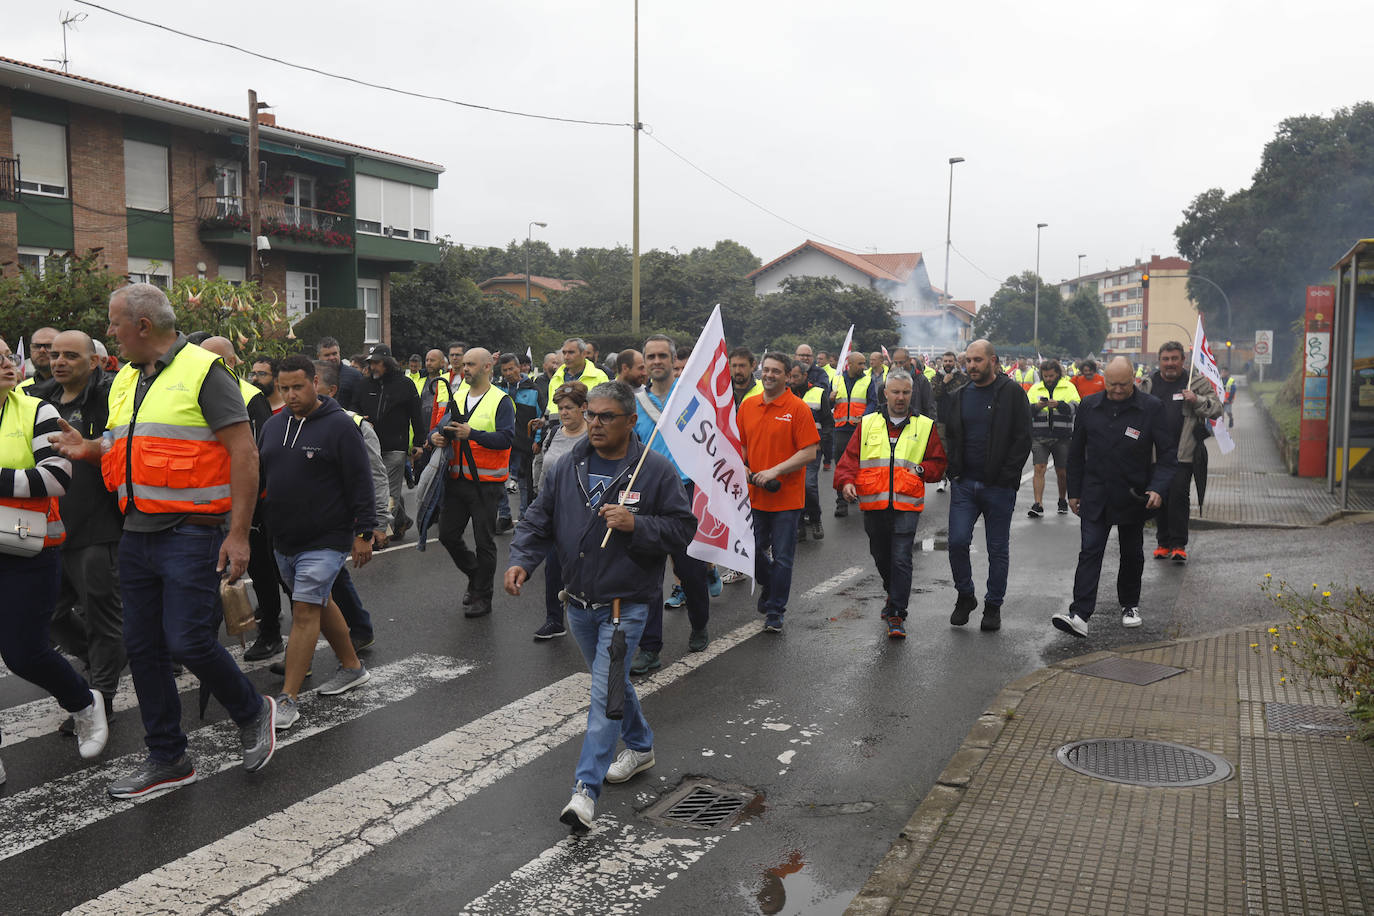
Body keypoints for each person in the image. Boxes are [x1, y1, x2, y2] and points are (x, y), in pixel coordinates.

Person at [51, 283, 276, 797]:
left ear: (143, 328)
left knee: (189, 641)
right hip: (136, 531)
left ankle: (252, 709)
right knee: (144, 648)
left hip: (192, 531)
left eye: (114, 324)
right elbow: (124, 442)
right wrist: (88, 449)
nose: (109, 333)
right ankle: (168, 756)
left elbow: (245, 454)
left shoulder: (204, 371)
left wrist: (238, 535)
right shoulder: (128, 377)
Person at [505, 381, 696, 833]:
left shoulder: (655, 472)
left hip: (623, 607)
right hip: (578, 605)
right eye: (591, 414)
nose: (594, 423)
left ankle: (585, 792)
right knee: (610, 687)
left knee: (602, 699)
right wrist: (521, 560)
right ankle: (642, 744)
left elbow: (683, 529)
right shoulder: (569, 465)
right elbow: (539, 518)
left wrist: (638, 524)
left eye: (606, 416)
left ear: (632, 422)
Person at [0, 335, 110, 780]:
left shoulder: (37, 410)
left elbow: (53, 479)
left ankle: (85, 702)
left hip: (25, 550)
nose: (9, 364)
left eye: (8, 356)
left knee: (25, 654)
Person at [259, 354, 375, 728]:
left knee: (305, 610)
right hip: (284, 538)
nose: (291, 394)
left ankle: (288, 699)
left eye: (298, 386)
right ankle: (353, 667)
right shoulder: (273, 426)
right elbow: (261, 479)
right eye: (284, 388)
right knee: (319, 602)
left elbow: (361, 481)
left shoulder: (340, 426)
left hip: (326, 538)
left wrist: (363, 532)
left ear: (315, 383)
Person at [35, 331, 125, 725]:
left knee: (101, 616)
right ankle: (99, 658)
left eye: (70, 355)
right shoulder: (40, 399)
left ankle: (99, 699)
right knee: (49, 616)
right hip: (51, 526)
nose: (59, 361)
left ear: (93, 361)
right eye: (55, 355)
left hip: (97, 526)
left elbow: (122, 447)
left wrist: (91, 446)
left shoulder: (110, 396)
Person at [1053, 358, 1178, 637]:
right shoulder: (1089, 406)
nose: (1117, 390)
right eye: (1111, 384)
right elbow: (1075, 454)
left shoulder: (1151, 408)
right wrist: (1073, 492)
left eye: (1123, 384)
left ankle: (1130, 605)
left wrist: (1158, 487)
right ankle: (1080, 614)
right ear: (1104, 380)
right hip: (1095, 492)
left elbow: (1169, 456)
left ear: (1133, 378)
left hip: (1133, 493)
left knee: (1131, 553)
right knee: (1090, 551)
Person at [834, 370, 947, 638]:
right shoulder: (868, 423)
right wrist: (847, 482)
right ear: (885, 393)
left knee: (901, 559)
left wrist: (920, 470)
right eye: (895, 392)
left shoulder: (925, 426)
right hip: (874, 504)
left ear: (912, 394)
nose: (900, 397)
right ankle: (892, 592)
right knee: (881, 556)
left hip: (906, 505)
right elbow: (849, 459)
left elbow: (938, 464)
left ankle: (897, 613)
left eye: (905, 392)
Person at [632, 335, 713, 672]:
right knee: (647, 574)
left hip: (685, 492)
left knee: (690, 570)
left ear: (672, 358)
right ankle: (650, 648)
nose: (656, 361)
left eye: (662, 355)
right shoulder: (635, 401)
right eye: (650, 356)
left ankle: (699, 623)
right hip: (648, 494)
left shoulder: (691, 398)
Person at [941, 339, 1032, 633]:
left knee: (997, 549)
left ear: (993, 361)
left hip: (998, 487)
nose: (971, 366)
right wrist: (953, 470)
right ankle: (965, 595)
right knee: (956, 542)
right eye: (968, 360)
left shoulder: (1013, 394)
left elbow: (1023, 438)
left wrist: (1007, 475)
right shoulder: (958, 395)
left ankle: (993, 605)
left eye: (978, 360)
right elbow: (951, 436)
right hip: (965, 484)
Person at [737, 353, 820, 633]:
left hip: (786, 497)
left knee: (783, 557)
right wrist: (744, 466)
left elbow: (809, 451)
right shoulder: (748, 406)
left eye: (776, 371)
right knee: (750, 551)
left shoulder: (798, 408)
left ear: (787, 376)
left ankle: (775, 610)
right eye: (766, 370)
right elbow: (743, 447)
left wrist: (775, 471)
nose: (769, 375)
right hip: (755, 495)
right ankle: (770, 584)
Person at [429, 348, 514, 618]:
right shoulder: (458, 395)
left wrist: (472, 434)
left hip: (486, 484)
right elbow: (440, 426)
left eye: (471, 365)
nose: (464, 369)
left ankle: (482, 596)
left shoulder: (501, 400)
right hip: (456, 481)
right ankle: (476, 575)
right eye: (463, 364)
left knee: (484, 542)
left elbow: (506, 439)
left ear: (488, 367)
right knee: (447, 535)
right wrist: (435, 436)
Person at [1142, 341, 1223, 564]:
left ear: (1182, 361)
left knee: (1178, 497)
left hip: (1183, 452)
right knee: (1158, 497)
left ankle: (1178, 545)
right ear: (1159, 361)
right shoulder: (1148, 383)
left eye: (1174, 359)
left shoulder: (1195, 382)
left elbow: (1217, 408)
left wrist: (1197, 400)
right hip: (1155, 453)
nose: (1170, 364)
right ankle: (1162, 543)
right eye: (1166, 359)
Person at [529, 381, 589, 640]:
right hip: (555, 509)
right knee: (552, 567)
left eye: (570, 408)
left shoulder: (593, 435)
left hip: (585, 512)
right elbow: (542, 464)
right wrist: (539, 497)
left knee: (585, 566)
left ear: (584, 408)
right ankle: (554, 619)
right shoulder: (554, 432)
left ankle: (592, 617)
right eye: (561, 408)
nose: (564, 412)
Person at [357, 345, 425, 542]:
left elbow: (416, 415)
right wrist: (360, 418)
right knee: (377, 488)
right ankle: (401, 519)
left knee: (388, 491)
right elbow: (352, 408)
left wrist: (419, 443)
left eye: (377, 362)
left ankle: (382, 532)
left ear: (387, 363)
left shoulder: (405, 384)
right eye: (370, 363)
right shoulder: (363, 385)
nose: (373, 367)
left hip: (396, 446)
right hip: (370, 447)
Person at [1025, 359, 1081, 518]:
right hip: (1039, 436)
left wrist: (1059, 404)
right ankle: (1038, 504)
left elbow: (1076, 406)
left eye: (1051, 375)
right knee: (1039, 468)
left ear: (1057, 374)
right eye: (1045, 376)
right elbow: (1026, 410)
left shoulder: (1069, 387)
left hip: (1062, 436)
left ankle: (1062, 499)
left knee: (1062, 471)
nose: (1048, 378)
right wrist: (1038, 406)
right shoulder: (1036, 388)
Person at [495, 353, 540, 532]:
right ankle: (504, 516)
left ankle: (524, 518)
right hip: (502, 443)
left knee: (524, 484)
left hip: (525, 444)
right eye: (504, 370)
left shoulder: (534, 389)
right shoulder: (498, 389)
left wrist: (536, 440)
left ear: (519, 367)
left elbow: (540, 417)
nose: (508, 373)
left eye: (511, 368)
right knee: (499, 480)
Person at [788, 363, 829, 542]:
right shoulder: (785, 392)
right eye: (790, 376)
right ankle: (799, 525)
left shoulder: (819, 393)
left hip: (812, 447)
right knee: (793, 487)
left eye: (796, 377)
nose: (792, 380)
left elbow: (828, 422)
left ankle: (815, 518)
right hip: (790, 449)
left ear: (805, 376)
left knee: (808, 485)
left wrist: (821, 443)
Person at [831, 351, 872, 517]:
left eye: (864, 363)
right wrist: (830, 398)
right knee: (841, 465)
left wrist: (865, 416)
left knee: (861, 465)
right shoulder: (836, 379)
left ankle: (857, 494)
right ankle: (841, 502)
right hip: (841, 429)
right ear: (850, 364)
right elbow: (827, 403)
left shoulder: (867, 381)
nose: (863, 367)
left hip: (860, 429)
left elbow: (873, 402)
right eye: (860, 364)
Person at [930, 350, 969, 494]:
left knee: (958, 448)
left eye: (950, 361)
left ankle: (957, 476)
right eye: (945, 361)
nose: (947, 364)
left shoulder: (963, 378)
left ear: (955, 362)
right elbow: (934, 395)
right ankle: (942, 479)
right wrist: (944, 383)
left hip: (958, 419)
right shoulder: (936, 378)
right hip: (941, 419)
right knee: (943, 450)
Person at [545, 339, 609, 415]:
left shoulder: (599, 377)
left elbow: (605, 407)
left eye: (571, 352)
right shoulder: (556, 377)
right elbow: (551, 407)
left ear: (584, 354)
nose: (566, 357)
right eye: (564, 353)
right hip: (557, 425)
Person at [317, 336, 363, 411]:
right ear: (319, 356)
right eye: (327, 355)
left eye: (334, 354)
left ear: (339, 353)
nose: (332, 358)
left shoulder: (355, 376)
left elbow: (358, 403)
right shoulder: (312, 375)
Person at [418, 348, 452, 436]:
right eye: (427, 360)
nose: (428, 363)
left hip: (440, 432)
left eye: (432, 360)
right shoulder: (418, 381)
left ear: (442, 363)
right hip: (420, 433)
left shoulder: (448, 381)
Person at [18, 326, 58, 392]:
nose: (42, 350)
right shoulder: (20, 389)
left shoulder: (75, 386)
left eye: (49, 346)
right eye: (36, 346)